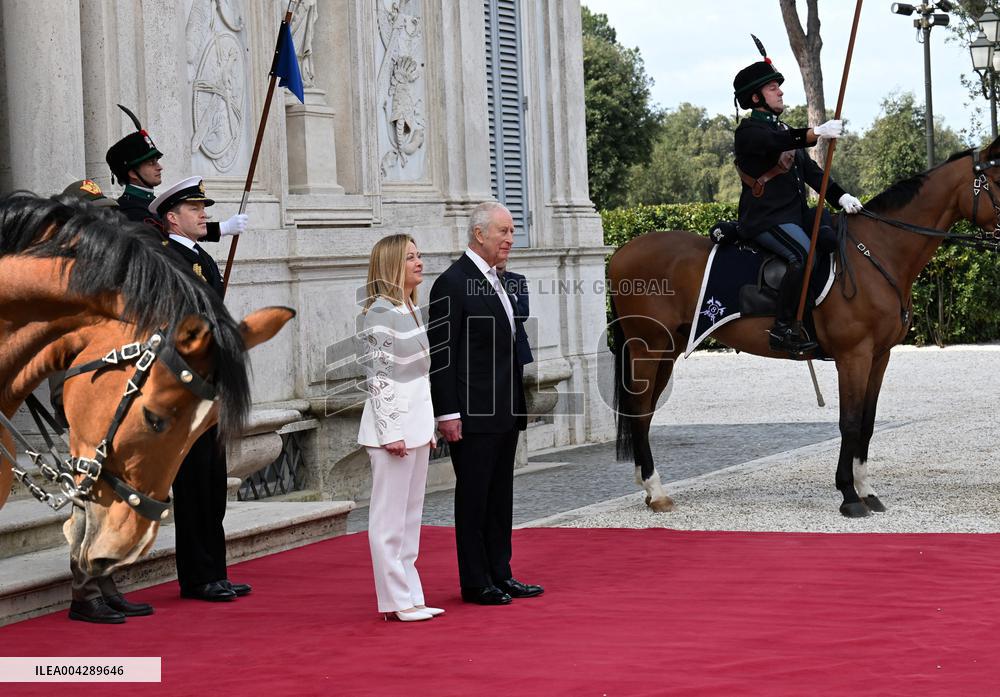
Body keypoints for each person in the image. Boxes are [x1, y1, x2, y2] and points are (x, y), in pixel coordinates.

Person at [427, 201, 543, 606]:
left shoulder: (503, 280)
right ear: (479, 235)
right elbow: (441, 355)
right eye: (503, 232)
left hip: (505, 407)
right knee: (474, 497)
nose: (510, 239)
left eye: (511, 231)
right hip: (472, 414)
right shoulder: (451, 283)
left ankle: (501, 572)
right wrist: (447, 413)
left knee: (500, 496)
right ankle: (475, 582)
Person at [55, 179, 154, 624]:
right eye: (96, 212)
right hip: (82, 387)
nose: (106, 220)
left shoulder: (103, 263)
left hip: (117, 383)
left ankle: (106, 581)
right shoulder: (59, 268)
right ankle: (84, 593)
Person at [148, 176, 251, 602]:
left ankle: (216, 570)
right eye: (194, 209)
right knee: (192, 484)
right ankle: (197, 576)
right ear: (173, 218)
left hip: (212, 385)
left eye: (202, 208)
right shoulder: (166, 258)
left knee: (212, 480)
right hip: (186, 388)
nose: (203, 214)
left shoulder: (199, 258)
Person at [732, 39, 863, 355]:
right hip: (765, 219)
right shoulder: (749, 132)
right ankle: (782, 328)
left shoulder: (783, 129)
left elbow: (814, 176)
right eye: (773, 87)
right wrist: (816, 132)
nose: (780, 91)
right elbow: (777, 140)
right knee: (800, 256)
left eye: (779, 86)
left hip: (793, 216)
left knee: (833, 241)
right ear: (755, 97)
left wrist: (842, 197)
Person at [357, 234, 441, 622]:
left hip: (417, 426)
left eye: (419, 255)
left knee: (410, 517)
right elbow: (379, 378)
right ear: (392, 266)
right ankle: (395, 600)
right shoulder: (378, 312)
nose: (419, 262)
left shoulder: (410, 308)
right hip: (392, 431)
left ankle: (411, 595)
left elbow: (419, 377)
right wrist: (392, 432)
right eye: (410, 258)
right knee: (389, 519)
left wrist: (429, 426)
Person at [105, 104, 246, 239]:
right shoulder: (128, 211)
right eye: (151, 163)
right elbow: (173, 236)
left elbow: (182, 229)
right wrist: (223, 228)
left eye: (157, 161)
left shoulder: (152, 204)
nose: (159, 167)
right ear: (132, 173)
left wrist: (224, 228)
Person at [496, 261, 533, 367]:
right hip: (493, 347)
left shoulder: (518, 279)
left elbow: (524, 314)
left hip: (516, 348)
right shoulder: (482, 281)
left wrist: (509, 298)